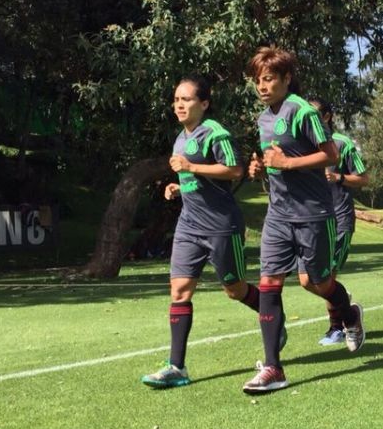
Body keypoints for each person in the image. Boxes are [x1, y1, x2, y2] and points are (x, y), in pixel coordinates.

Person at [244, 47, 364, 393]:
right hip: (278, 215)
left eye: (268, 79)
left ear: (285, 79)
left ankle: (349, 314)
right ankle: (273, 367)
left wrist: (287, 164)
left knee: (318, 282)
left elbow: (331, 154)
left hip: (314, 214)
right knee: (268, 283)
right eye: (258, 80)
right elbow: (275, 161)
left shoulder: (302, 111)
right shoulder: (264, 118)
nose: (262, 86)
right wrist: (260, 170)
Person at [142, 75, 260, 389]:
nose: (179, 105)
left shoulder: (216, 133)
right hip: (189, 226)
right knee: (179, 290)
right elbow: (192, 177)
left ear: (204, 103)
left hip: (222, 225)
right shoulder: (180, 138)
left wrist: (190, 169)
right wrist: (177, 187)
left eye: (186, 99)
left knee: (234, 289)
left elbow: (234, 170)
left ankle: (271, 316)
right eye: (176, 100)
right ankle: (176, 367)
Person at [308, 98, 370, 345]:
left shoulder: (343, 144)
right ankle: (342, 301)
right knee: (313, 279)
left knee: (328, 273)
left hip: (340, 218)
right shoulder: (301, 145)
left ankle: (336, 327)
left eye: (314, 114)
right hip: (312, 219)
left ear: (327, 117)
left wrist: (338, 177)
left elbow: (363, 178)